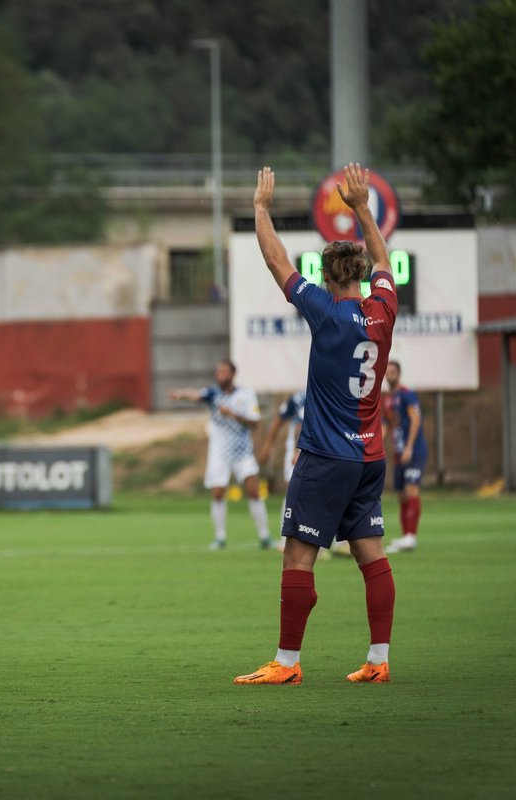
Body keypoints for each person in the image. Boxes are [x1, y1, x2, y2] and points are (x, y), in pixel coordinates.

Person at [233, 164, 398, 685]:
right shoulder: (384, 310)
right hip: (370, 458)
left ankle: (286, 665)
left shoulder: (324, 312)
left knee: (297, 557)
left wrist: (261, 209)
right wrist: (363, 208)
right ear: (362, 275)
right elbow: (384, 260)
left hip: (326, 456)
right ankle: (378, 659)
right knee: (372, 557)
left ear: (327, 278)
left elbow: (276, 259)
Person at [169, 360, 271, 550]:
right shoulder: (213, 393)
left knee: (253, 491)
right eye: (218, 372)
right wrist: (181, 394)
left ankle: (264, 536)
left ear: (233, 374)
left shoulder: (246, 394)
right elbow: (195, 394)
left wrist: (232, 414)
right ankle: (220, 537)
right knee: (217, 493)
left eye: (224, 371)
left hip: (242, 451)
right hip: (219, 452)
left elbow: (255, 423)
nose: (220, 375)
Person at [382, 361, 427, 552]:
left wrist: (409, 447)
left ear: (398, 374)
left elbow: (416, 419)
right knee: (401, 495)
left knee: (411, 491)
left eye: (393, 371)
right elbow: (386, 425)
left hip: (413, 451)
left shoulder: (407, 395)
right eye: (387, 372)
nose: (389, 374)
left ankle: (411, 537)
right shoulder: (387, 400)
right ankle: (405, 536)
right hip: (398, 452)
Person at [258, 390, 307, 552]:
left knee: (306, 492)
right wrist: (268, 446)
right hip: (300, 448)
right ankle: (287, 538)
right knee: (294, 491)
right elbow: (282, 419)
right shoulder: (300, 397)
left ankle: (323, 540)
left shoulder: (326, 394)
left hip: (313, 449)